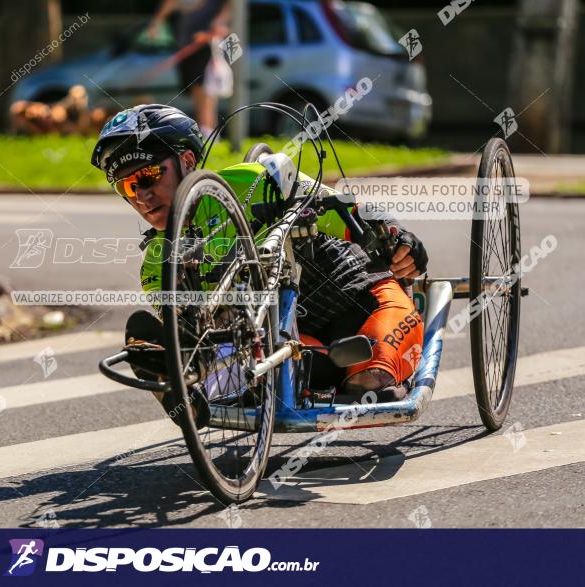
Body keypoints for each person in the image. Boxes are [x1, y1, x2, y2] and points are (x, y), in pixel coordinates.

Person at [90, 104, 428, 425]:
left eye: (148, 176)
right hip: (296, 345)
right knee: (178, 346)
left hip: (359, 301)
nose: (141, 196)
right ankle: (180, 388)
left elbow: (345, 210)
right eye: (128, 186)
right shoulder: (156, 263)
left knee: (372, 384)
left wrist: (397, 237)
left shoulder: (254, 180)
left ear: (188, 160)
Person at [148, 0, 231, 138]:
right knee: (198, 92)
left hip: (205, 48)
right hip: (189, 48)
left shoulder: (222, 5)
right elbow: (174, 3)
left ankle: (209, 134)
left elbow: (228, 15)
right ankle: (207, 132)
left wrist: (218, 24)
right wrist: (157, 21)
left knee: (204, 92)